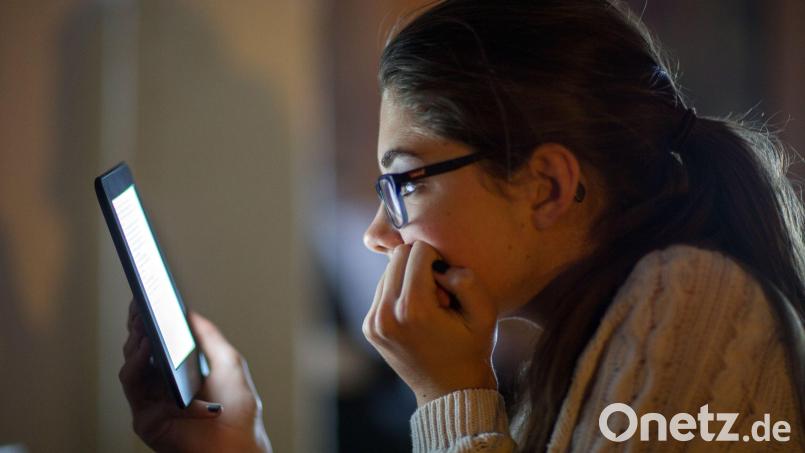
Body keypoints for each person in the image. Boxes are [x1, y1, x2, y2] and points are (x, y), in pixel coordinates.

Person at [119, 0, 805, 451]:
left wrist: (450, 394)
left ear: (546, 187)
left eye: (405, 183)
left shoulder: (687, 297)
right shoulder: (587, 345)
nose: (378, 235)